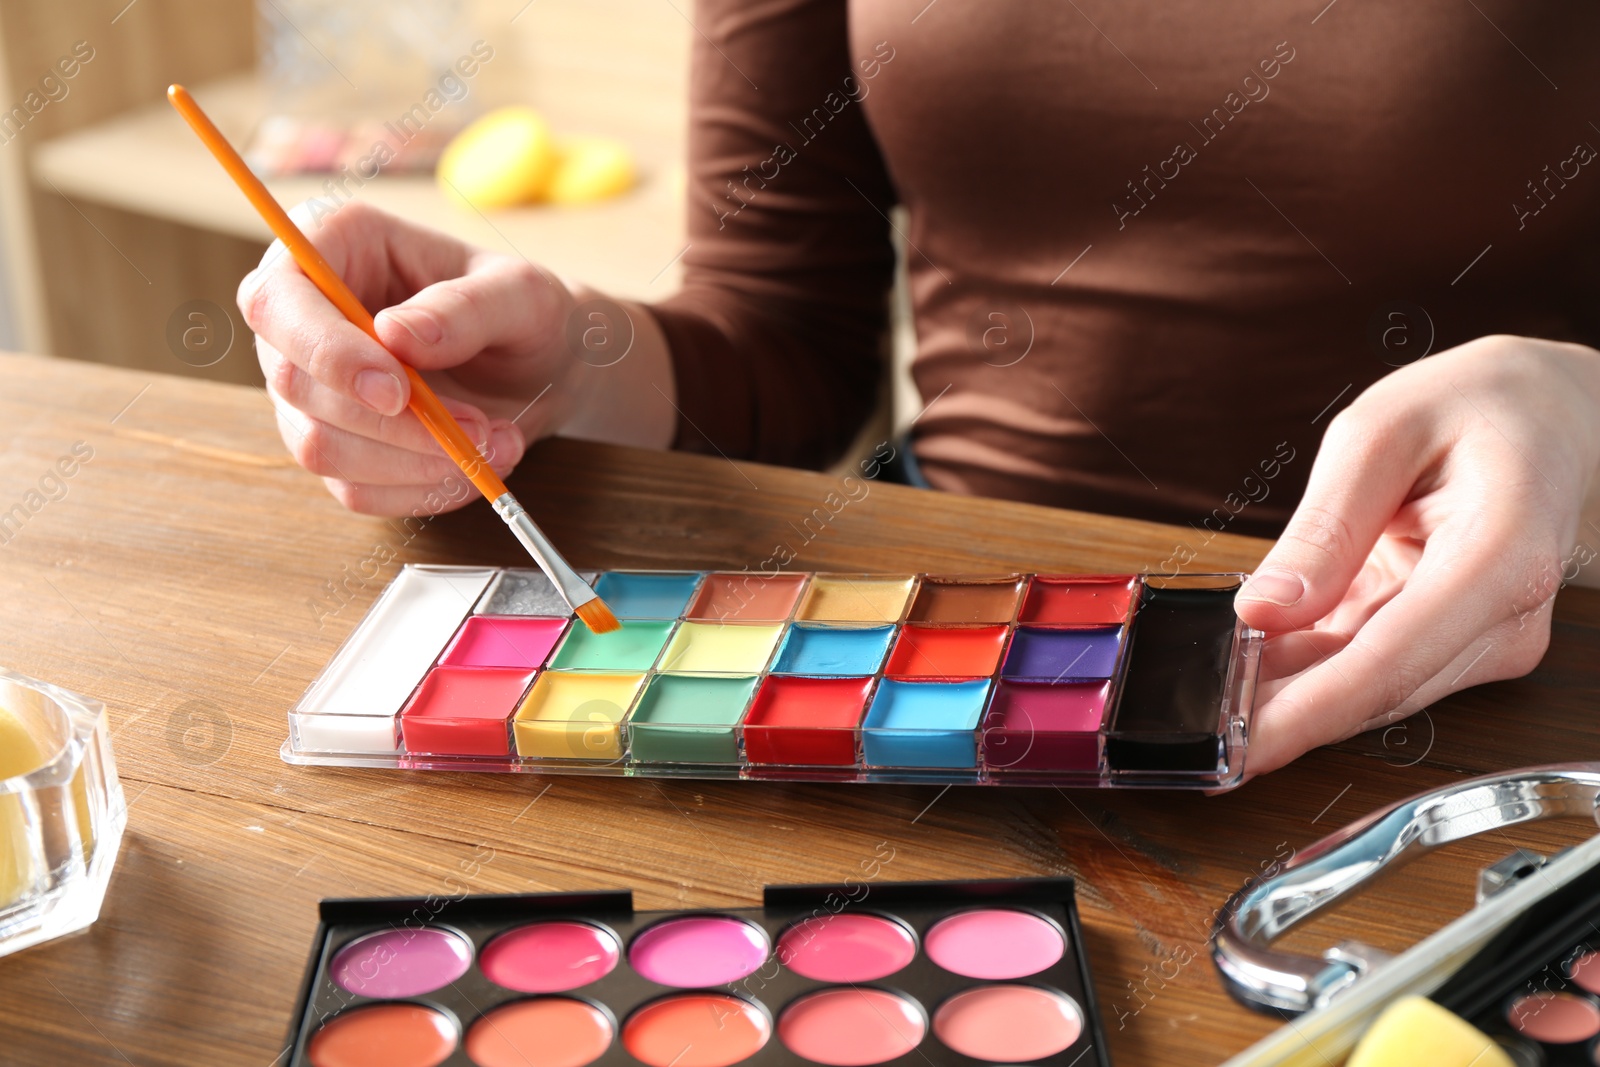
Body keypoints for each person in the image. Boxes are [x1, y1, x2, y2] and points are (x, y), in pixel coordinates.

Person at [237, 2, 1600, 776]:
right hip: (940, 646)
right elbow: (780, 345)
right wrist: (554, 364)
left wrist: (1582, 417)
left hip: (1496, 684)